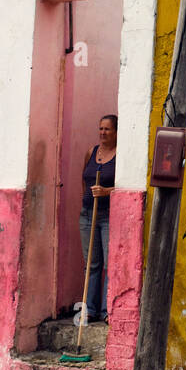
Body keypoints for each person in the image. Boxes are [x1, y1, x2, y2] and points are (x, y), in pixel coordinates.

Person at [78, 114, 117, 324]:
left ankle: (106, 310)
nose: (103, 133)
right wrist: (85, 201)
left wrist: (106, 191)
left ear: (116, 132)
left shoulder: (119, 155)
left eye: (107, 129)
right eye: (101, 129)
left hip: (108, 215)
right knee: (91, 263)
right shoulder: (91, 152)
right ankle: (90, 309)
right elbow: (83, 180)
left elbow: (121, 187)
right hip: (87, 214)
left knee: (109, 264)